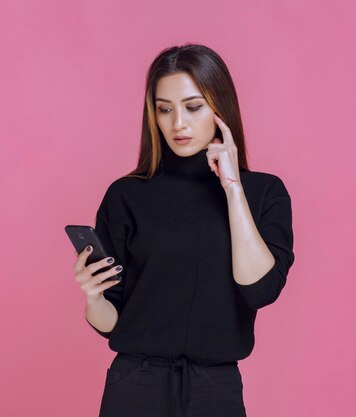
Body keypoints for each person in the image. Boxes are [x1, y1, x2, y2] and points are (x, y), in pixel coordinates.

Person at [72, 43, 295, 417]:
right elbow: (113, 323)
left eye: (193, 107)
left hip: (215, 388)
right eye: (164, 109)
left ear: (220, 108)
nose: (178, 123)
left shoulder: (264, 193)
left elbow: (260, 289)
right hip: (134, 386)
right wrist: (93, 298)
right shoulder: (127, 195)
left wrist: (233, 188)